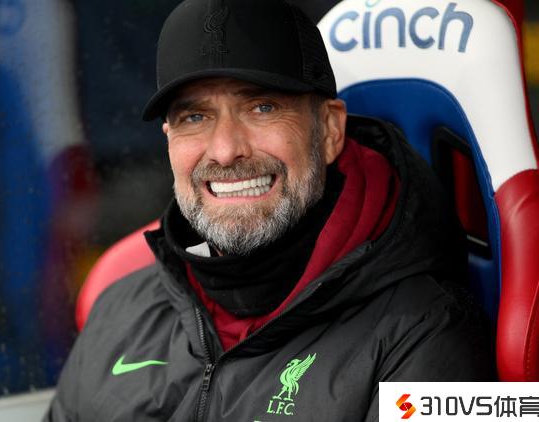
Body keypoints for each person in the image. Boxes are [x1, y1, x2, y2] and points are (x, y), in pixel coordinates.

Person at [45, 0, 495, 420]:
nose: (225, 150)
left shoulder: (430, 332)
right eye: (194, 117)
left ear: (329, 130)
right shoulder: (120, 308)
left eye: (262, 107)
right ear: (168, 140)